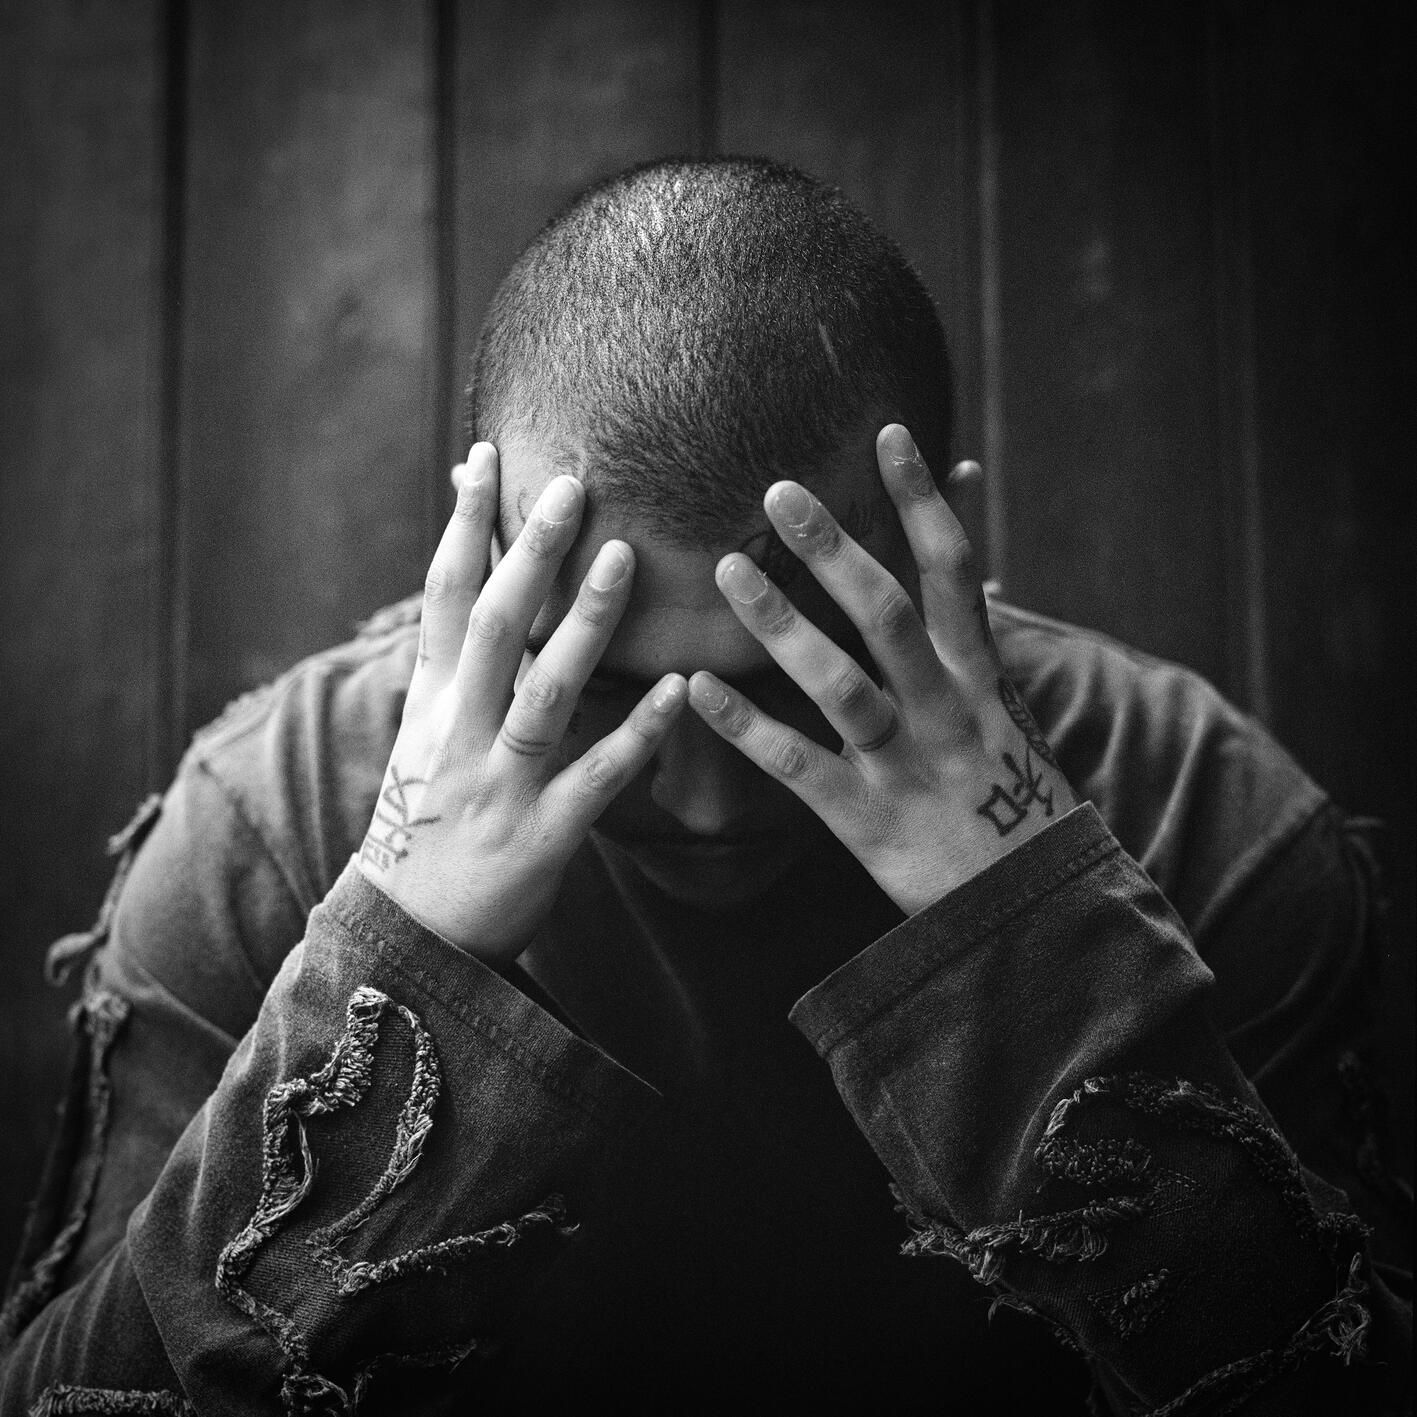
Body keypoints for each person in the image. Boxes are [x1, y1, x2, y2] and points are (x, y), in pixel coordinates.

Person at [1, 158, 1409, 1414]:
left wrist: (1035, 934)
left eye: (799, 682)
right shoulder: (278, 812)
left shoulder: (1193, 807)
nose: (706, 804)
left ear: (942, 547)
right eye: (598, 687)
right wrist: (397, 959)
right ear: (481, 560)